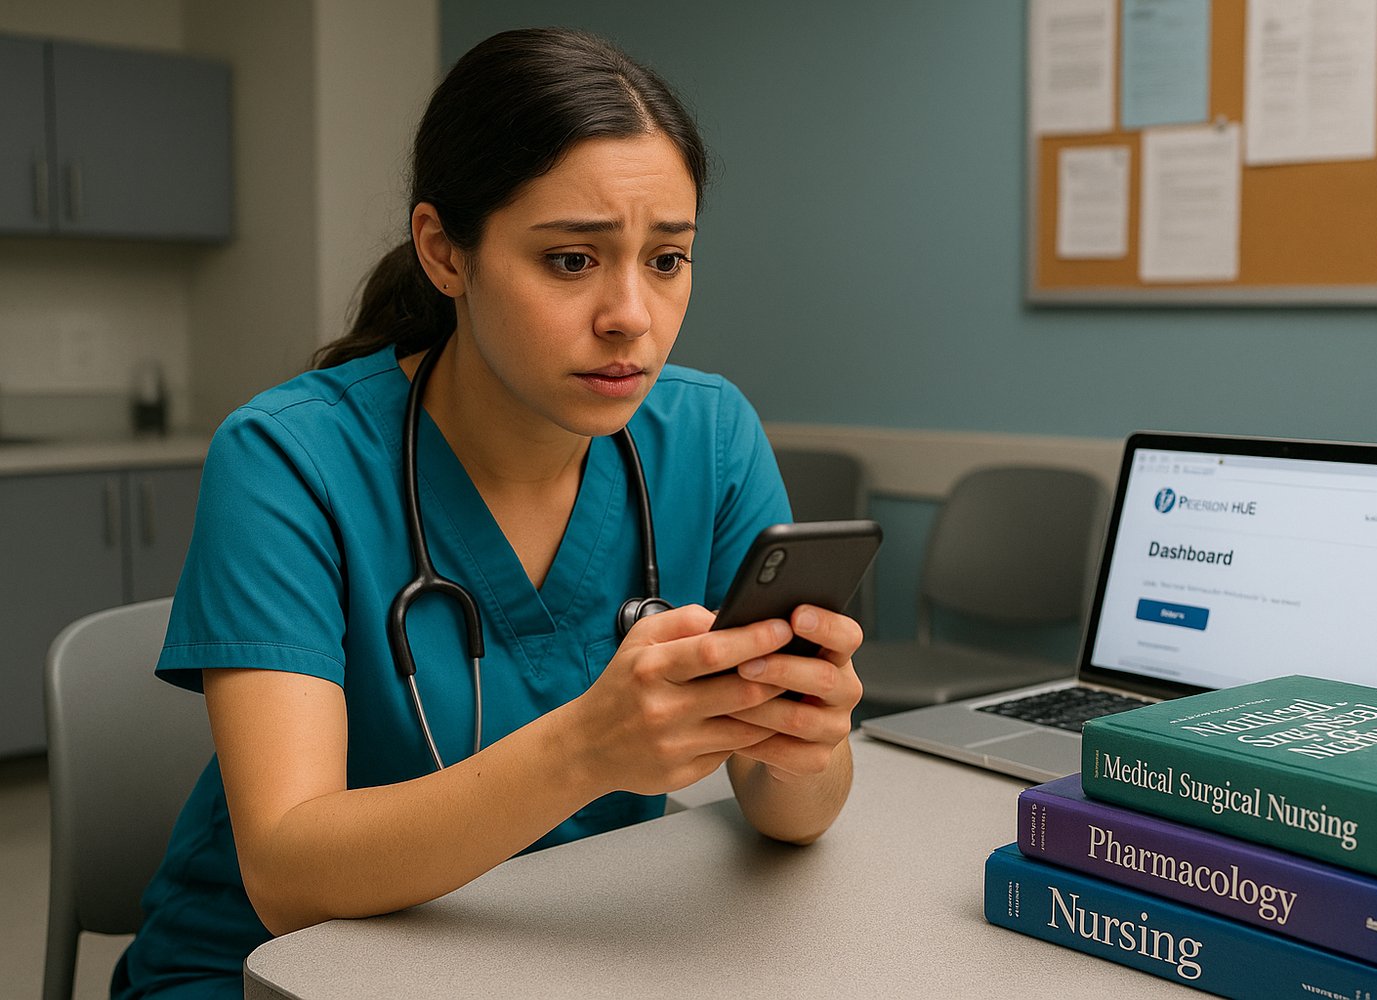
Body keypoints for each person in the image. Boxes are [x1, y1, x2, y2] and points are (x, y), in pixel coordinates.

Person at [112, 27, 864, 999]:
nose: (631, 313)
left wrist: (805, 746)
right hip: (276, 972)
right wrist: (589, 747)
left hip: (559, 954)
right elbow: (288, 875)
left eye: (668, 258)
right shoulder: (289, 459)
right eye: (569, 260)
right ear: (444, 251)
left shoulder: (709, 439)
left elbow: (792, 813)